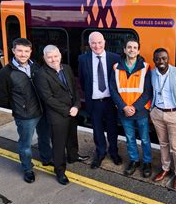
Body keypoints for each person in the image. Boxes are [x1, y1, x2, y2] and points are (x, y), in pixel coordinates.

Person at [0, 38, 52, 183]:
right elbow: (1, 99)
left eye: (26, 51)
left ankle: (47, 159)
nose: (23, 54)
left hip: (42, 111)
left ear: (31, 52)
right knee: (25, 144)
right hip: (25, 116)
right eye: (19, 50)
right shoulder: (5, 73)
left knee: (45, 138)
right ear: (13, 51)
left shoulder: (36, 67)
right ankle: (27, 169)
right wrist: (20, 108)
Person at [35, 45, 89, 185]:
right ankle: (59, 170)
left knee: (72, 136)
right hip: (57, 115)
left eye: (55, 56)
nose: (53, 59)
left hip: (73, 110)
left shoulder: (67, 68)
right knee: (58, 145)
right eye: (49, 57)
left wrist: (77, 105)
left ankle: (73, 156)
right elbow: (48, 98)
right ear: (44, 58)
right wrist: (67, 110)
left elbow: (75, 89)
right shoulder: (41, 74)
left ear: (60, 55)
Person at [78, 32, 123, 168]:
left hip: (110, 101)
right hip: (94, 102)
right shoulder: (82, 59)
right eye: (93, 43)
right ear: (89, 44)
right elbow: (82, 80)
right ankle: (100, 153)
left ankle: (114, 152)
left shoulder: (115, 58)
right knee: (97, 130)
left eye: (99, 42)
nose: (97, 45)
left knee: (112, 129)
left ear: (104, 42)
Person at [110, 38, 153, 178]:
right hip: (124, 112)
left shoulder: (145, 67)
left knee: (145, 139)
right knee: (129, 138)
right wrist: (124, 107)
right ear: (124, 50)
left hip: (140, 111)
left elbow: (148, 91)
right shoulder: (116, 67)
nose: (132, 50)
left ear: (139, 51)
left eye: (135, 47)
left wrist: (134, 107)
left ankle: (147, 162)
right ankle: (134, 161)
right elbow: (113, 90)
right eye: (129, 47)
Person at [150, 48, 176, 189]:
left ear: (168, 59)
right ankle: (165, 168)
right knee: (163, 143)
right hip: (158, 113)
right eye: (158, 59)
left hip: (174, 114)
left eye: (164, 58)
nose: (161, 61)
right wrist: (152, 110)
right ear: (154, 60)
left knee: (175, 146)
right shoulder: (152, 74)